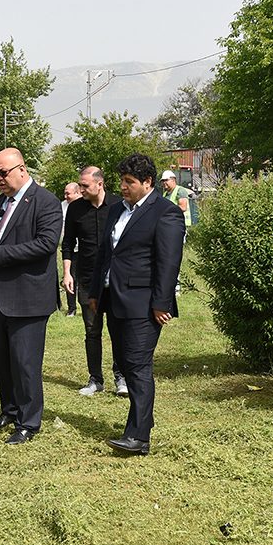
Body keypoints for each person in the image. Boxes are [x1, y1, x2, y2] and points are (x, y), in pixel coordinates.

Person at [0, 148, 61, 445]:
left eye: (3, 172)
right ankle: (10, 410)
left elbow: (46, 243)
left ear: (22, 169)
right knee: (1, 359)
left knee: (25, 362)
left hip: (28, 298)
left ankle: (29, 422)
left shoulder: (46, 202)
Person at [89, 153, 184, 455]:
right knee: (126, 364)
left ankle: (138, 437)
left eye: (130, 182)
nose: (123, 186)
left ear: (148, 182)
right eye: (122, 181)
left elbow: (169, 263)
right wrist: (94, 292)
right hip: (114, 300)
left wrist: (161, 302)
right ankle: (144, 421)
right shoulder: (117, 209)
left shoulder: (165, 212)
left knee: (138, 366)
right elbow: (105, 254)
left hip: (145, 305)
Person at [62, 166, 126, 397]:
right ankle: (95, 379)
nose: (81, 189)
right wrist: (67, 273)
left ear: (100, 184)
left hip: (115, 278)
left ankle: (121, 377)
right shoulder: (75, 209)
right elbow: (68, 243)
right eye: (80, 185)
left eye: (85, 186)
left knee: (118, 329)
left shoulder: (119, 206)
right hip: (87, 279)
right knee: (92, 330)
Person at [60, 182, 82, 316]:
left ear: (77, 193)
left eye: (68, 193)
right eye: (65, 193)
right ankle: (71, 308)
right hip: (70, 249)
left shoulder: (84, 205)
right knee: (69, 277)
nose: (65, 196)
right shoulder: (62, 206)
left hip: (84, 249)